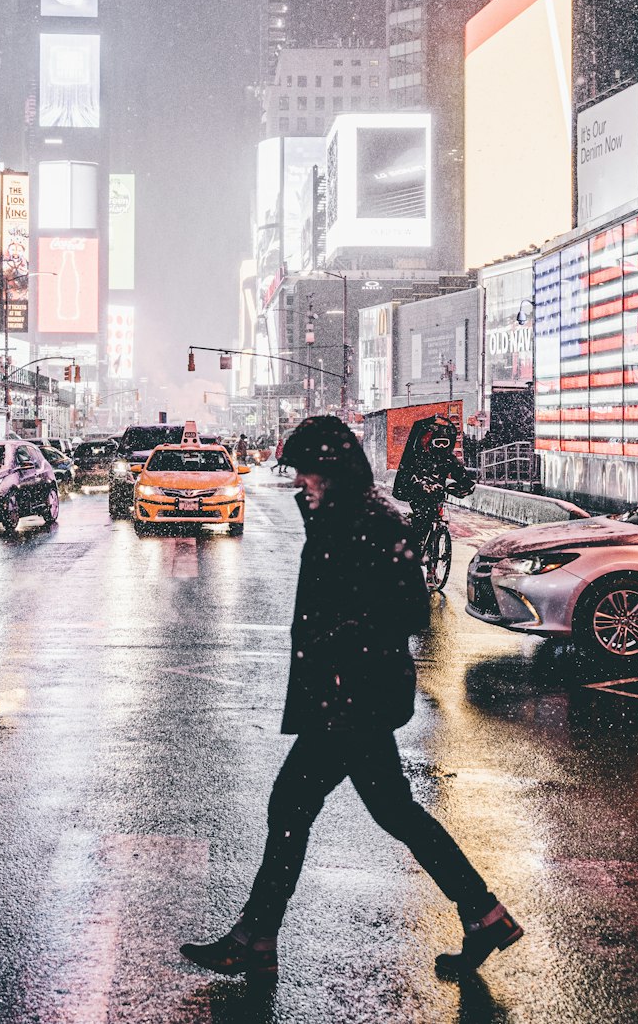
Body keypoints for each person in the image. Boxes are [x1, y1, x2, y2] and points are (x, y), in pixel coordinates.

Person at [180, 415, 522, 984]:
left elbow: (406, 609)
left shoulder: (364, 520)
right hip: (352, 696)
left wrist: (343, 658)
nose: (298, 483)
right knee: (388, 811)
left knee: (293, 806)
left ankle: (256, 939)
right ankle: (483, 913)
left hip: (350, 700)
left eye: (306, 473)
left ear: (330, 470)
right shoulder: (345, 516)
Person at [393, 415, 474, 543]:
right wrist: (421, 485)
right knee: (422, 520)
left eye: (444, 443)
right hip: (418, 496)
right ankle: (416, 548)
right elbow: (410, 476)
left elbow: (460, 474)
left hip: (438, 496)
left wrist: (466, 485)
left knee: (433, 516)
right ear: (431, 442)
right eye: (438, 443)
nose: (441, 447)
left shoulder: (449, 459)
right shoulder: (418, 457)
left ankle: (430, 549)